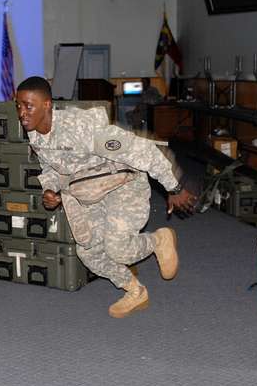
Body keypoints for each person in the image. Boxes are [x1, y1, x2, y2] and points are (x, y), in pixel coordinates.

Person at [15, 76, 196, 318]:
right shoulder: (36, 134)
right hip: (89, 192)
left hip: (123, 183)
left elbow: (141, 151)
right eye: (18, 105)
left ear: (47, 104)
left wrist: (173, 188)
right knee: (88, 252)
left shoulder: (82, 127)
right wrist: (50, 189)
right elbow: (50, 168)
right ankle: (135, 291)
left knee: (118, 249)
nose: (22, 113)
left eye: (29, 105)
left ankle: (158, 241)